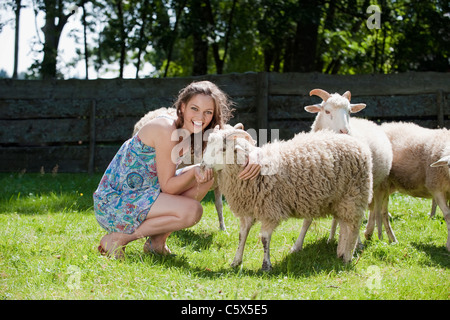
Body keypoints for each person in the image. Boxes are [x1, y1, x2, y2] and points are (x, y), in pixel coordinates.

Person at [93, 81, 261, 259]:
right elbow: (168, 187)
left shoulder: (196, 132)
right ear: (182, 107)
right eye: (194, 109)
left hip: (145, 194)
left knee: (206, 178)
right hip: (115, 203)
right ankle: (119, 239)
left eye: (208, 112)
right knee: (192, 211)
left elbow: (231, 138)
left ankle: (156, 243)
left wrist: (257, 154)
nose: (200, 117)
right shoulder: (165, 129)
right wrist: (193, 170)